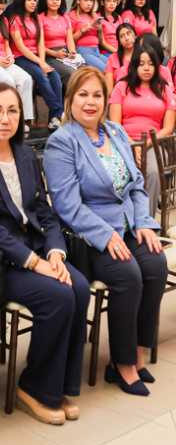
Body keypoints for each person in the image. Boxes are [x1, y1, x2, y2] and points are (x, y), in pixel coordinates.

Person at [0, 82, 89, 424]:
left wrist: (56, 252)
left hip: (37, 250)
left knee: (79, 287)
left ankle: (59, 385)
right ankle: (34, 388)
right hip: (0, 262)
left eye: (13, 110)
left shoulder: (26, 154)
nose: (5, 118)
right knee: (59, 296)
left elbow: (44, 210)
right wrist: (34, 263)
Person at [45, 67, 164, 395]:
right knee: (128, 274)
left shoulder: (116, 131)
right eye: (83, 94)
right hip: (88, 237)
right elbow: (67, 205)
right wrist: (105, 234)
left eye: (97, 95)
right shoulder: (62, 142)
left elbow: (136, 185)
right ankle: (121, 365)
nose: (90, 102)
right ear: (70, 100)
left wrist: (144, 222)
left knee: (155, 263)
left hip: (127, 224)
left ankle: (138, 352)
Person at [9, 0, 64, 123]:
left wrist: (42, 61)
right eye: (29, 0)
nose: (33, 2)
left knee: (55, 77)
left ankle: (53, 119)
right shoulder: (15, 20)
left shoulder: (37, 19)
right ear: (22, 1)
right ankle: (59, 112)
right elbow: (21, 47)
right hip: (21, 57)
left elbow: (40, 43)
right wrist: (40, 63)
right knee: (41, 75)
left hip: (36, 57)